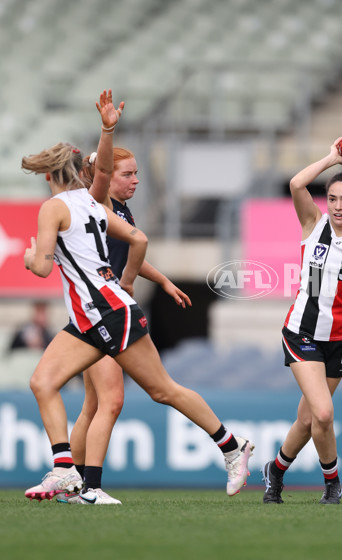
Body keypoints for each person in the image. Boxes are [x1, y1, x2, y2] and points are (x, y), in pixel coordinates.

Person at [21, 90, 253, 504]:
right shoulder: (93, 203)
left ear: (48, 177)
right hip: (92, 317)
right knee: (43, 381)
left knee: (161, 390)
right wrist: (107, 129)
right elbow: (138, 237)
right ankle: (65, 470)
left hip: (105, 312)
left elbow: (40, 267)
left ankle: (232, 447)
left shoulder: (54, 207)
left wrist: (29, 256)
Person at [55, 141, 192, 505]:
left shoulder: (121, 211)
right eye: (127, 174)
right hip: (101, 314)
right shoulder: (95, 204)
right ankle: (89, 488)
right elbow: (127, 253)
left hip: (101, 312)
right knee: (112, 401)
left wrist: (161, 281)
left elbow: (128, 249)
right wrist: (128, 281)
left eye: (136, 174)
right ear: (106, 176)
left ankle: (75, 485)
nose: (135, 181)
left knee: (93, 405)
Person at [261, 137, 342, 504]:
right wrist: (333, 157)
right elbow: (296, 184)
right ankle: (333, 481)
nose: (337, 206)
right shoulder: (312, 224)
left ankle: (276, 470)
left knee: (307, 419)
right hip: (302, 331)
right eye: (332, 198)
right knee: (322, 411)